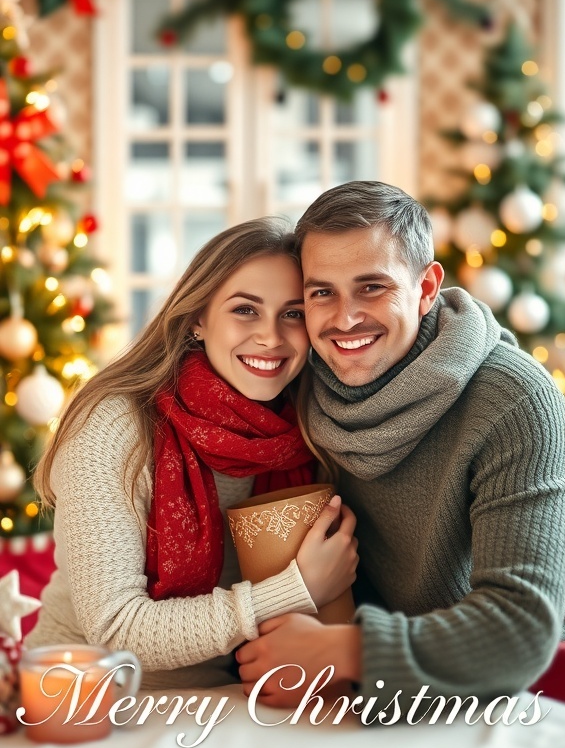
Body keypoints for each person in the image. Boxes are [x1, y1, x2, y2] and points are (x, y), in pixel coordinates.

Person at [236, 181, 565, 711]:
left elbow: (522, 628)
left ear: (425, 288)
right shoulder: (299, 381)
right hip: (352, 677)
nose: (345, 319)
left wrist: (340, 650)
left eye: (372, 287)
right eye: (322, 292)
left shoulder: (517, 400)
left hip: (511, 683)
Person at [27, 217, 358, 689]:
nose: (271, 336)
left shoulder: (305, 427)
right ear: (199, 318)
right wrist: (296, 590)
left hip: (223, 700)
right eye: (245, 310)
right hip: (87, 700)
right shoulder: (114, 424)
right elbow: (117, 628)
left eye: (293, 314)